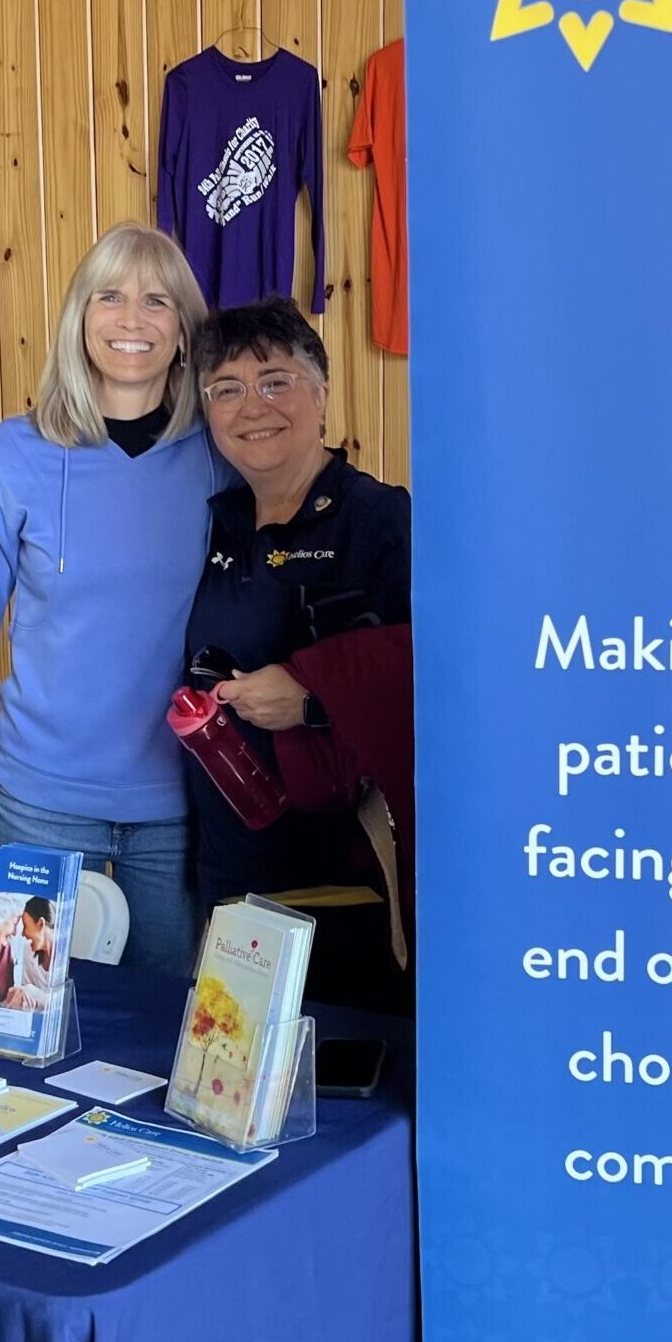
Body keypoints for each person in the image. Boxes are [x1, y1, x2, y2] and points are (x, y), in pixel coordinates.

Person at [0, 223, 226, 976]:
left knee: (165, 1045)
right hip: (39, 801)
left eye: (158, 301)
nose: (132, 319)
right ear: (79, 319)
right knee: (22, 1015)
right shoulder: (11, 457)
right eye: (111, 297)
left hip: (178, 806)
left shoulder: (226, 463)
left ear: (186, 331)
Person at [186, 297, 413, 1007]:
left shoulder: (381, 520)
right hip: (227, 878)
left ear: (321, 393)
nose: (252, 405)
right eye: (226, 389)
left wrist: (315, 692)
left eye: (276, 380)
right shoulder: (211, 526)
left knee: (348, 1100)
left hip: (347, 884)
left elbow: (449, 670)